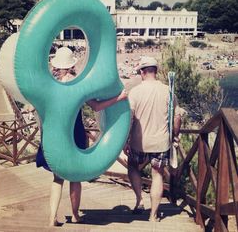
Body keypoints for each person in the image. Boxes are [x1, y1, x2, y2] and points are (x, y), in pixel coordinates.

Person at [36, 47, 128, 226]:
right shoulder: (78, 85)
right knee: (75, 176)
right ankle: (75, 215)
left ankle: (52, 217)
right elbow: (96, 106)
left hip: (55, 132)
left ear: (57, 65)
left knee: (57, 177)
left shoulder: (52, 85)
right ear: (71, 65)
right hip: (75, 130)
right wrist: (119, 98)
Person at [124, 56, 181, 222]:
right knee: (157, 175)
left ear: (142, 72)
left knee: (133, 167)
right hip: (161, 143)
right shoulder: (168, 91)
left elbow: (130, 119)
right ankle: (153, 215)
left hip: (138, 142)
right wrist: (174, 136)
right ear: (155, 71)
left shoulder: (135, 92)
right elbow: (177, 118)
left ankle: (139, 200)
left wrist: (126, 139)